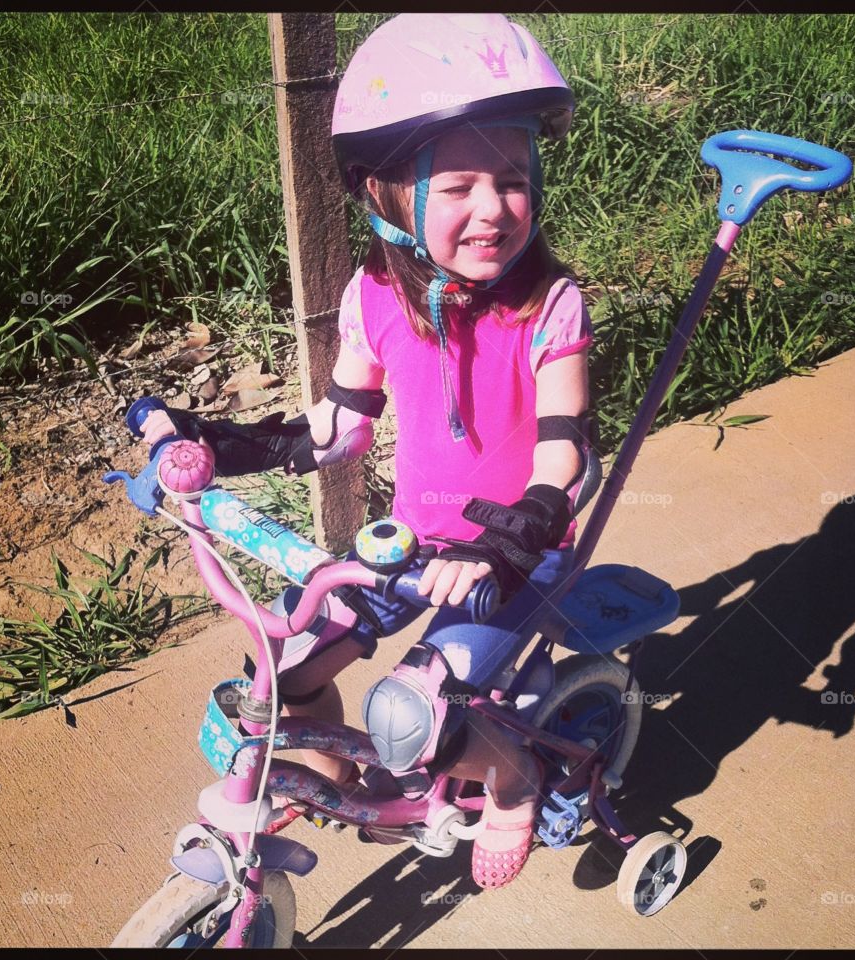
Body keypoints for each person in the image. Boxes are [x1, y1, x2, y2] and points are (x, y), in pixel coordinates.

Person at [140, 13, 595, 889]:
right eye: (459, 186)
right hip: (411, 548)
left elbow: (563, 451)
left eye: (511, 179)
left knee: (417, 712)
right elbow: (339, 426)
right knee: (286, 664)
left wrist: (507, 540)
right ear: (384, 193)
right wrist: (212, 443)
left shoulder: (550, 305)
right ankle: (337, 780)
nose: (494, 210)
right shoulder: (374, 295)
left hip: (518, 553)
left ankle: (512, 780)